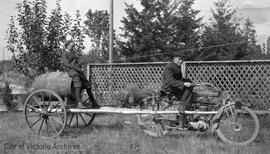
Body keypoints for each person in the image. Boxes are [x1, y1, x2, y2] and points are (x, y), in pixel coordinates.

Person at [61, 40, 99, 109]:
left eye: (73, 46)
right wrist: (77, 68)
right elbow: (67, 64)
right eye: (72, 46)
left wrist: (80, 67)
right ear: (67, 46)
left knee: (87, 84)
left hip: (77, 70)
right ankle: (79, 103)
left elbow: (77, 62)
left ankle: (93, 102)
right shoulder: (65, 54)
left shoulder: (73, 53)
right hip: (71, 70)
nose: (73, 47)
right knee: (77, 81)